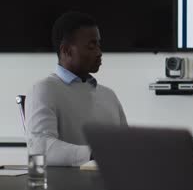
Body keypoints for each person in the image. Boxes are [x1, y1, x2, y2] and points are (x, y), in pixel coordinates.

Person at [25, 11, 128, 166]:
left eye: (99, 45)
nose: (99, 53)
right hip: (65, 189)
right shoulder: (44, 89)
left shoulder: (108, 95)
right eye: (91, 46)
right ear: (66, 51)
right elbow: (40, 149)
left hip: (111, 186)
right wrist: (94, 153)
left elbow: (126, 145)